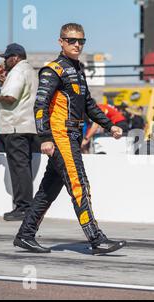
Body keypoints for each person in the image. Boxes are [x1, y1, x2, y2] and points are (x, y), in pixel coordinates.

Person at [14, 23, 127, 255]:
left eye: (81, 41)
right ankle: (96, 239)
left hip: (72, 137)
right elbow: (40, 106)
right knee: (79, 185)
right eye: (72, 40)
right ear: (61, 42)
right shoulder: (52, 70)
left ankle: (25, 235)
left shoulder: (78, 69)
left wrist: (110, 125)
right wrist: (45, 137)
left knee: (48, 190)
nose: (77, 45)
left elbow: (89, 105)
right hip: (60, 137)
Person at [0, 44, 40, 221]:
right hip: (27, 126)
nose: (5, 61)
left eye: (7, 58)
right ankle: (25, 207)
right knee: (23, 166)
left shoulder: (17, 71)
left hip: (16, 126)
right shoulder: (29, 70)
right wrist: (2, 80)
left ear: (15, 58)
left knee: (19, 168)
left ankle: (23, 207)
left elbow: (11, 98)